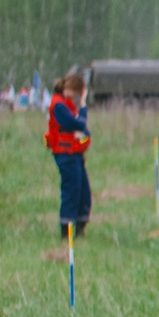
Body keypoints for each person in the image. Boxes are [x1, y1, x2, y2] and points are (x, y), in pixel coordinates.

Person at [44, 71, 91, 249]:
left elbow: (83, 130)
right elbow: (78, 123)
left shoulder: (68, 104)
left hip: (75, 153)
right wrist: (83, 109)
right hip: (65, 154)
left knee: (83, 191)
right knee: (71, 190)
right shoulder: (58, 106)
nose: (78, 98)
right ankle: (67, 230)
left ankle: (80, 226)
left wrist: (84, 135)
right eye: (77, 93)